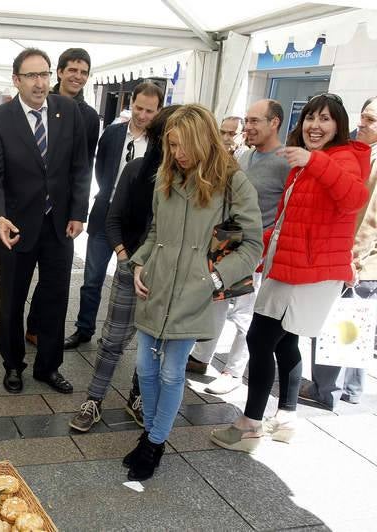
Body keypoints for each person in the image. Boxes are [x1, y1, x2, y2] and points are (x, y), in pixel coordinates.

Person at [211, 93, 370, 453]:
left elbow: (353, 198)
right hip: (289, 264)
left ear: (339, 124)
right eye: (311, 118)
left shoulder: (344, 156)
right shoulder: (309, 160)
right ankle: (285, 417)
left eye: (325, 119)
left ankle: (250, 425)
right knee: (286, 342)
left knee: (260, 340)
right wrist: (256, 250)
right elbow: (288, 222)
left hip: (309, 271)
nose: (316, 125)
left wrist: (313, 162)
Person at [124, 104, 262, 481]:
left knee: (172, 373)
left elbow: (252, 245)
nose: (178, 153)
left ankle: (153, 442)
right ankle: (151, 436)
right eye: (171, 145)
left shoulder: (234, 183)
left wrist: (214, 278)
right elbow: (155, 233)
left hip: (195, 291)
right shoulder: (166, 176)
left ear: (202, 140)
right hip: (158, 284)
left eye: (183, 145)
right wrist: (139, 263)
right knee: (144, 369)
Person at [0, 48, 89, 394]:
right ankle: (13, 364)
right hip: (14, 227)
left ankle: (48, 367)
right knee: (12, 301)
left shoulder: (68, 112)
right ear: (16, 80)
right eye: (32, 76)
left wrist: (77, 212)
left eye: (44, 74)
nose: (40, 83)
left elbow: (79, 168)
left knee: (57, 299)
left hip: (59, 225)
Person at [69, 105, 181, 432]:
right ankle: (94, 398)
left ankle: (138, 395)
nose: (178, 148)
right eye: (171, 139)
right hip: (131, 267)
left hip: (170, 278)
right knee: (113, 340)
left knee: (154, 344)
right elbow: (113, 220)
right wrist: (124, 257)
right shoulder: (136, 171)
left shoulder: (192, 181)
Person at [186, 100, 291, 395]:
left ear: (275, 123)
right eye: (247, 120)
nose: (249, 127)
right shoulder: (245, 156)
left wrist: (265, 244)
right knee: (217, 302)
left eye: (256, 121)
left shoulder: (285, 162)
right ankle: (201, 356)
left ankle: (234, 370)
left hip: (257, 251)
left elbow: (285, 209)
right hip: (228, 244)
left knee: (245, 313)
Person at [63, 81, 163, 350]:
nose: (142, 115)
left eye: (149, 111)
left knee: (131, 280)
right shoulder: (112, 133)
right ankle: (84, 328)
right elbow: (100, 168)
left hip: (140, 222)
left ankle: (120, 334)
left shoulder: (161, 143)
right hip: (105, 212)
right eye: (139, 108)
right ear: (130, 105)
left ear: (158, 111)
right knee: (92, 278)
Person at [300, 96, 377, 409]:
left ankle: (325, 390)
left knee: (336, 322)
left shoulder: (371, 159)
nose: (363, 124)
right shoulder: (363, 154)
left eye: (371, 120)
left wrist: (353, 255)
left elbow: (365, 216)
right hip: (364, 260)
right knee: (358, 321)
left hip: (358, 258)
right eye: (363, 116)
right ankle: (352, 389)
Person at [25, 47, 100, 345]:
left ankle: (39, 328)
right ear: (59, 72)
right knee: (19, 277)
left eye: (83, 72)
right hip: (29, 203)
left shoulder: (89, 116)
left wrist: (78, 211)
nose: (77, 77)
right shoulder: (39, 100)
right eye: (72, 70)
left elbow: (85, 166)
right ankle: (25, 331)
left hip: (63, 209)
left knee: (55, 277)